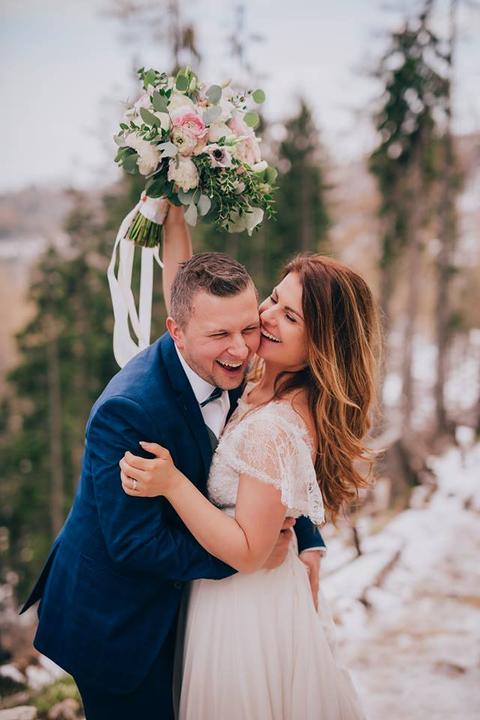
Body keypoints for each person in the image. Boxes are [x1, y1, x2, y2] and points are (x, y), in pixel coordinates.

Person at [19, 204, 325, 720]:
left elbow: (271, 465)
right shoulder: (129, 410)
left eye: (247, 329)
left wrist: (306, 536)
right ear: (177, 332)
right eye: (219, 336)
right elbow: (133, 542)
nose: (240, 350)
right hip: (120, 620)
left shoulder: (239, 362)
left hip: (193, 610)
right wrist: (246, 556)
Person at [120, 208, 380, 719]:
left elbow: (248, 551)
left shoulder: (275, 427)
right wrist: (175, 219)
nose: (268, 316)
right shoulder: (263, 368)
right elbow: (196, 312)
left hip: (244, 608)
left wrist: (173, 484)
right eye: (275, 298)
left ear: (322, 343)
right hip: (233, 595)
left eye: (290, 317)